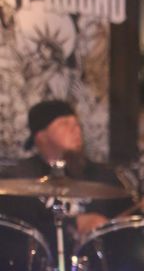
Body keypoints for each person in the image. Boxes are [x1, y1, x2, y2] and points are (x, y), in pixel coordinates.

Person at [0, 99, 130, 257]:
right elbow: (16, 233)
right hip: (42, 264)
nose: (76, 129)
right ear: (41, 136)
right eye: (64, 124)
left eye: (76, 124)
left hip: (96, 264)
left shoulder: (102, 176)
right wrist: (74, 224)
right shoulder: (17, 178)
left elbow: (128, 221)